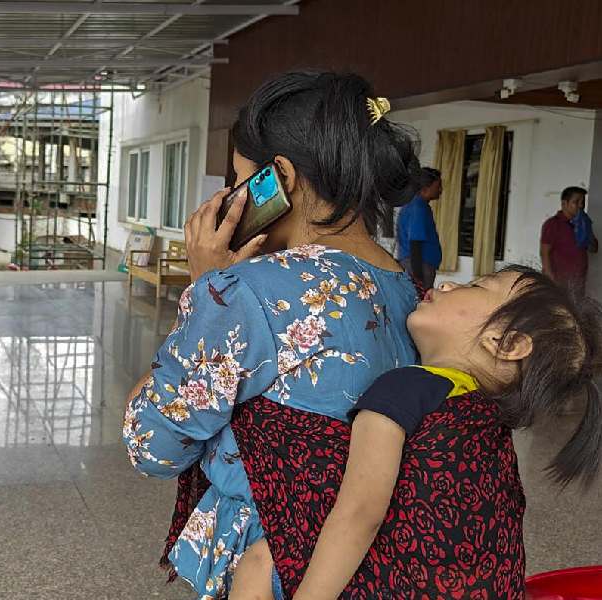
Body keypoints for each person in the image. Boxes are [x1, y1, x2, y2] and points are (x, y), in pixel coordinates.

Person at [122, 71, 423, 600]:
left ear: (280, 177)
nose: (233, 198)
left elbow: (154, 444)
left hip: (272, 560)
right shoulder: (405, 288)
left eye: (242, 181)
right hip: (361, 559)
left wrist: (207, 289)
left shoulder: (247, 291)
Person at [232, 266, 602, 599]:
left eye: (476, 285)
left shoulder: (405, 388)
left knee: (261, 561)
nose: (447, 283)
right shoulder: (489, 420)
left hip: (399, 584)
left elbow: (360, 512)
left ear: (506, 343)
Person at [541, 186, 598, 295]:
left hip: (578, 283)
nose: (581, 206)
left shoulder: (583, 223)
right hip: (559, 283)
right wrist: (550, 280)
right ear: (564, 203)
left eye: (583, 202)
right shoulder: (553, 224)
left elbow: (594, 249)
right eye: (576, 202)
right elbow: (544, 253)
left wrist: (587, 232)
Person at [396, 168, 442, 289]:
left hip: (417, 264)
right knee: (420, 301)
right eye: (438, 186)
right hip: (418, 266)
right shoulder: (418, 207)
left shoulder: (416, 205)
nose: (440, 190)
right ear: (425, 188)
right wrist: (418, 277)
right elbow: (415, 242)